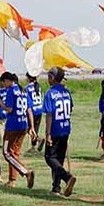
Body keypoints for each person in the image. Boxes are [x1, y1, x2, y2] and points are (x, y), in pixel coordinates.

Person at [0, 72, 35, 188]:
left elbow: (9, 109)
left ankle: (26, 172)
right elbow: (29, 110)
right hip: (23, 125)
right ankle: (12, 180)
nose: (2, 85)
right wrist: (31, 127)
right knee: (14, 153)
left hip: (12, 127)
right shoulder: (23, 91)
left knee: (7, 153)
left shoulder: (11, 91)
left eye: (3, 82)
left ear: (7, 81)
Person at [43, 67, 76, 197]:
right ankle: (56, 188)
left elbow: (49, 115)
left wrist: (48, 133)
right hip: (65, 128)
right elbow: (71, 108)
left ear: (52, 78)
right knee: (59, 160)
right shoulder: (67, 92)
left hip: (55, 130)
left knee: (49, 157)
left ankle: (67, 178)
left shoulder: (50, 93)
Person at [25, 73, 44, 152]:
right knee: (35, 129)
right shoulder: (38, 86)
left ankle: (39, 140)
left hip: (32, 110)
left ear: (29, 78)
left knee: (28, 128)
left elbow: (27, 101)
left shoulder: (27, 88)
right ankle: (33, 147)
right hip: (39, 109)